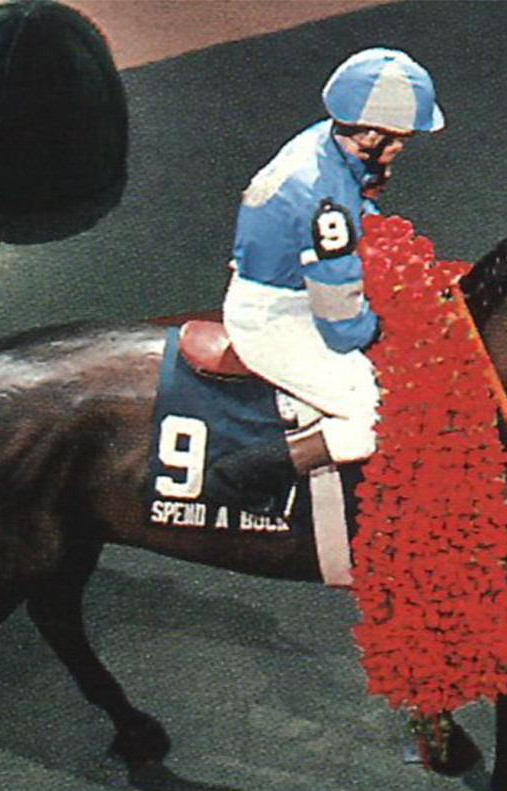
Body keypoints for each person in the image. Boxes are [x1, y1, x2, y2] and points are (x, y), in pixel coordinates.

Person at [212, 47, 444, 512]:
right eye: (398, 138)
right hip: (276, 316)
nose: (402, 147)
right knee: (380, 417)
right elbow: (339, 320)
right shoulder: (325, 200)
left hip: (285, 285)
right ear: (369, 133)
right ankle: (249, 472)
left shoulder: (324, 141)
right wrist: (376, 328)